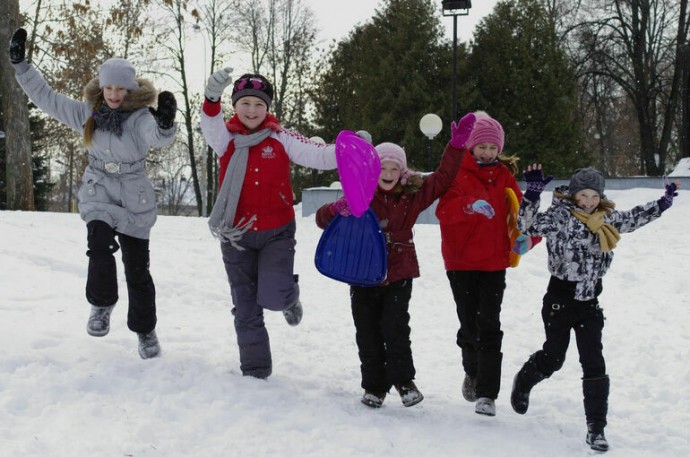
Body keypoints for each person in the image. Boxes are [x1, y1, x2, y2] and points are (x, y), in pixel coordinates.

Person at [9, 29, 178, 359]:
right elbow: (47, 98)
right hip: (99, 190)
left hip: (133, 197)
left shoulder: (141, 117)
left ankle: (145, 330)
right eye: (109, 87)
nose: (114, 94)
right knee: (98, 245)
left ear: (130, 89)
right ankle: (101, 305)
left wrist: (166, 123)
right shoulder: (89, 114)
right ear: (102, 87)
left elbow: (158, 138)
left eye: (120, 88)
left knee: (137, 270)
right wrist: (21, 65)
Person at [510, 164, 680, 452]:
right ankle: (524, 380)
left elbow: (634, 218)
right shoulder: (560, 217)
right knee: (554, 358)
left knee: (594, 363)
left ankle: (596, 429)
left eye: (593, 196)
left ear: (600, 196)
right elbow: (526, 226)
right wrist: (533, 194)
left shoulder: (607, 219)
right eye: (583, 195)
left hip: (589, 303)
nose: (588, 201)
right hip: (559, 300)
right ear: (574, 195)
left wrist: (662, 203)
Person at [315, 114, 473, 408]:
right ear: (373, 169)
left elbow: (443, 178)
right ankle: (374, 387)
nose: (387, 173)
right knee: (368, 331)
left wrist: (456, 146)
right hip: (362, 271)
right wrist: (338, 207)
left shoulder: (413, 194)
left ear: (402, 172)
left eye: (394, 168)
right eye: (382, 167)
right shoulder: (359, 193)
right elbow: (321, 220)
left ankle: (403, 381)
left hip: (399, 271)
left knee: (396, 327)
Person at [200, 68, 339, 379]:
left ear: (268, 107)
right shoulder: (227, 137)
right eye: (246, 103)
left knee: (274, 295)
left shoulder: (281, 136)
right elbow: (208, 125)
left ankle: (288, 296)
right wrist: (211, 98)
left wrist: (350, 149)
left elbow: (318, 155)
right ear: (235, 106)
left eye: (259, 104)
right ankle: (255, 371)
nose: (252, 110)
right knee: (245, 306)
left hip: (276, 232)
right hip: (235, 235)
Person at [435, 111, 534, 417]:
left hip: (494, 262)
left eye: (493, 147)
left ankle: (487, 394)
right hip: (461, 262)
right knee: (469, 325)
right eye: (482, 147)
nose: (488, 152)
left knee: (489, 325)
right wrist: (469, 206)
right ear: (471, 147)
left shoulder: (505, 176)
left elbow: (522, 216)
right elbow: (444, 212)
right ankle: (472, 370)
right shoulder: (456, 172)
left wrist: (529, 240)